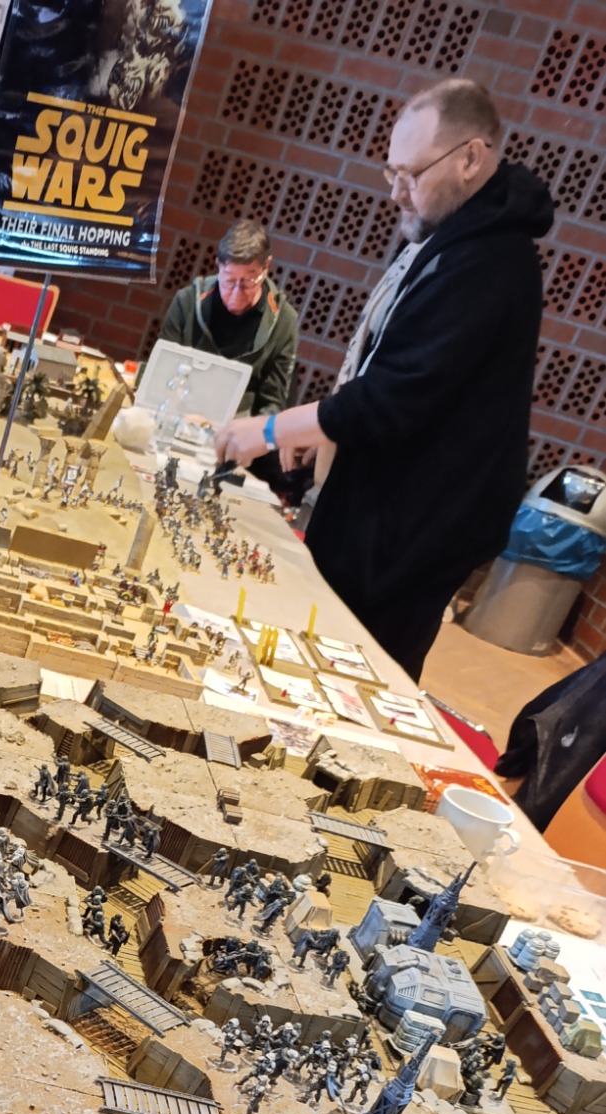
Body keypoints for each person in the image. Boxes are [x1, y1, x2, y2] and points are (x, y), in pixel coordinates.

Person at [215, 80, 552, 682]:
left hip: (419, 519)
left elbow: (399, 393)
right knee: (319, 632)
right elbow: (382, 361)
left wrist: (269, 428)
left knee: (354, 666)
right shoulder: (450, 234)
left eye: (411, 174)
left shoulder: (491, 260)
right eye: (392, 171)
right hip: (389, 494)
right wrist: (326, 430)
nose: (396, 191)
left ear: (470, 159)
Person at [161, 218, 296, 418]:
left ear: (266, 267)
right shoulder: (188, 301)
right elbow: (161, 373)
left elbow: (273, 403)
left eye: (248, 281)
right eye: (229, 280)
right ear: (218, 265)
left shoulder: (284, 321)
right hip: (177, 412)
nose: (236, 293)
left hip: (238, 425)